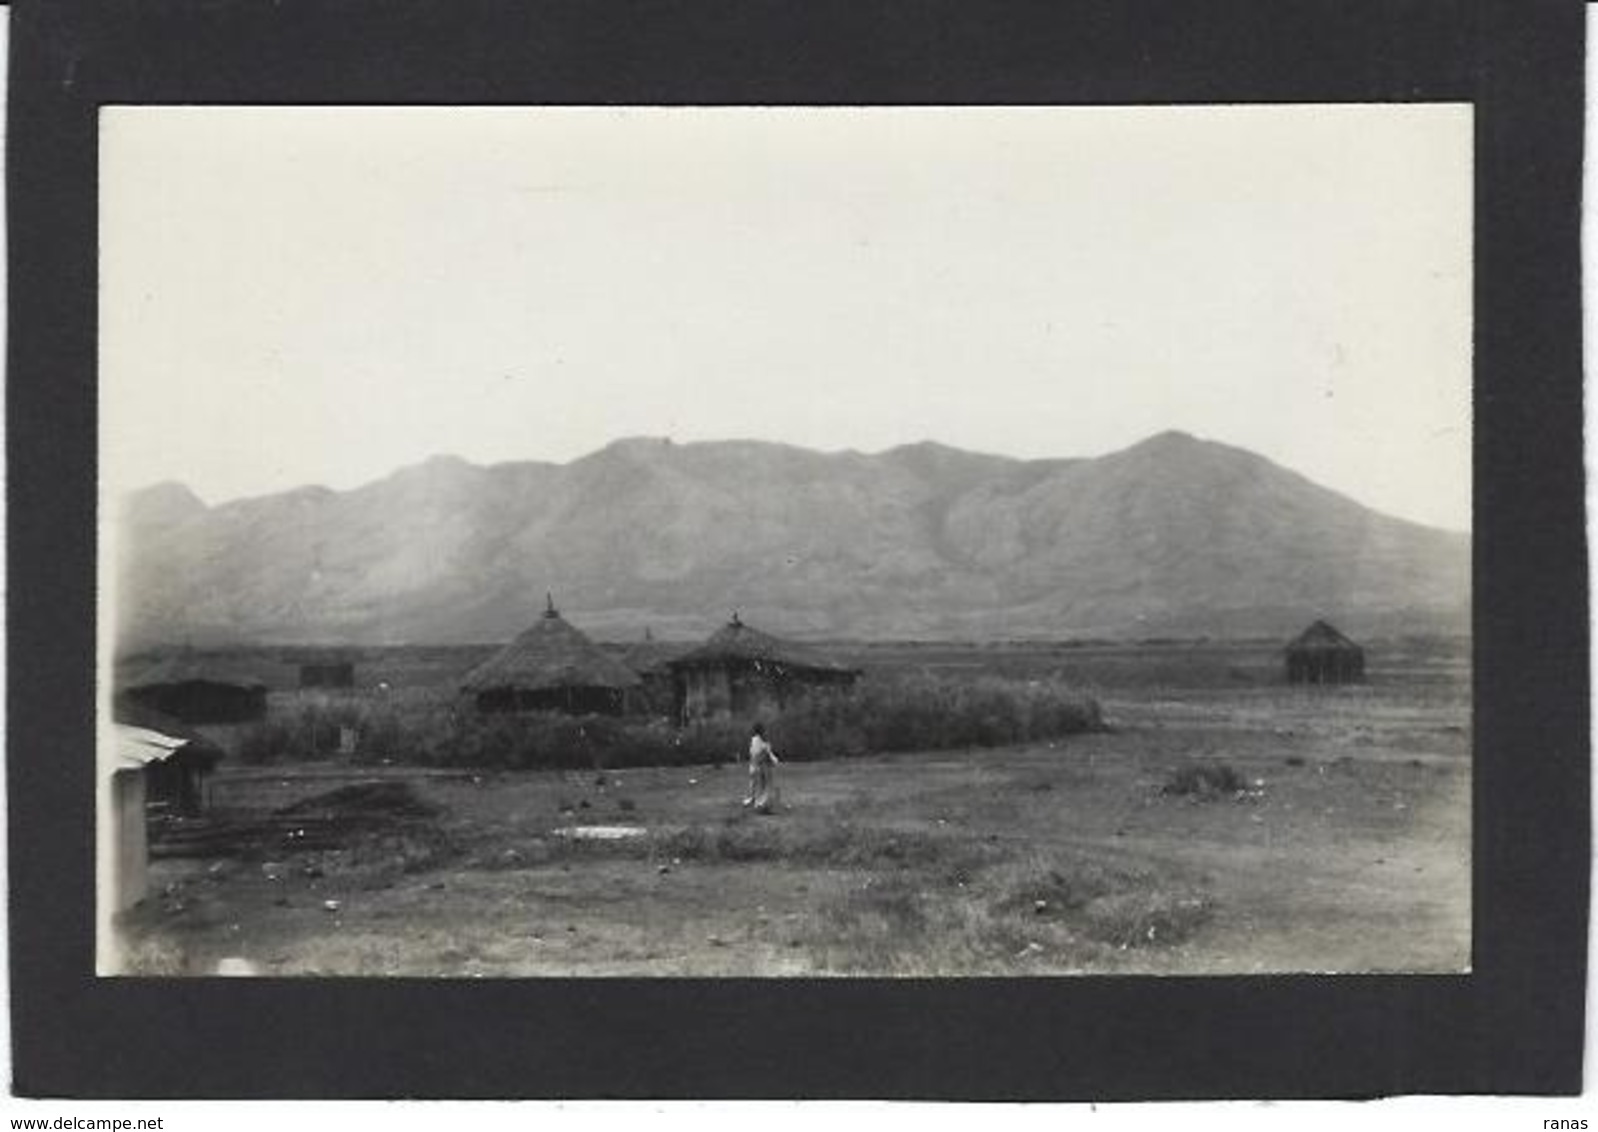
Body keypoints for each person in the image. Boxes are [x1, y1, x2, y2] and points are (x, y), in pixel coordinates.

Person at [742, 722, 780, 813]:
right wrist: (773, 760)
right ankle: (760, 803)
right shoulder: (761, 742)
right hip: (761, 766)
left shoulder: (755, 740)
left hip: (756, 766)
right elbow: (764, 754)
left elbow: (755, 753)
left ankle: (756, 801)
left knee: (757, 784)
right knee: (764, 784)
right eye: (764, 731)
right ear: (761, 731)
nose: (766, 732)